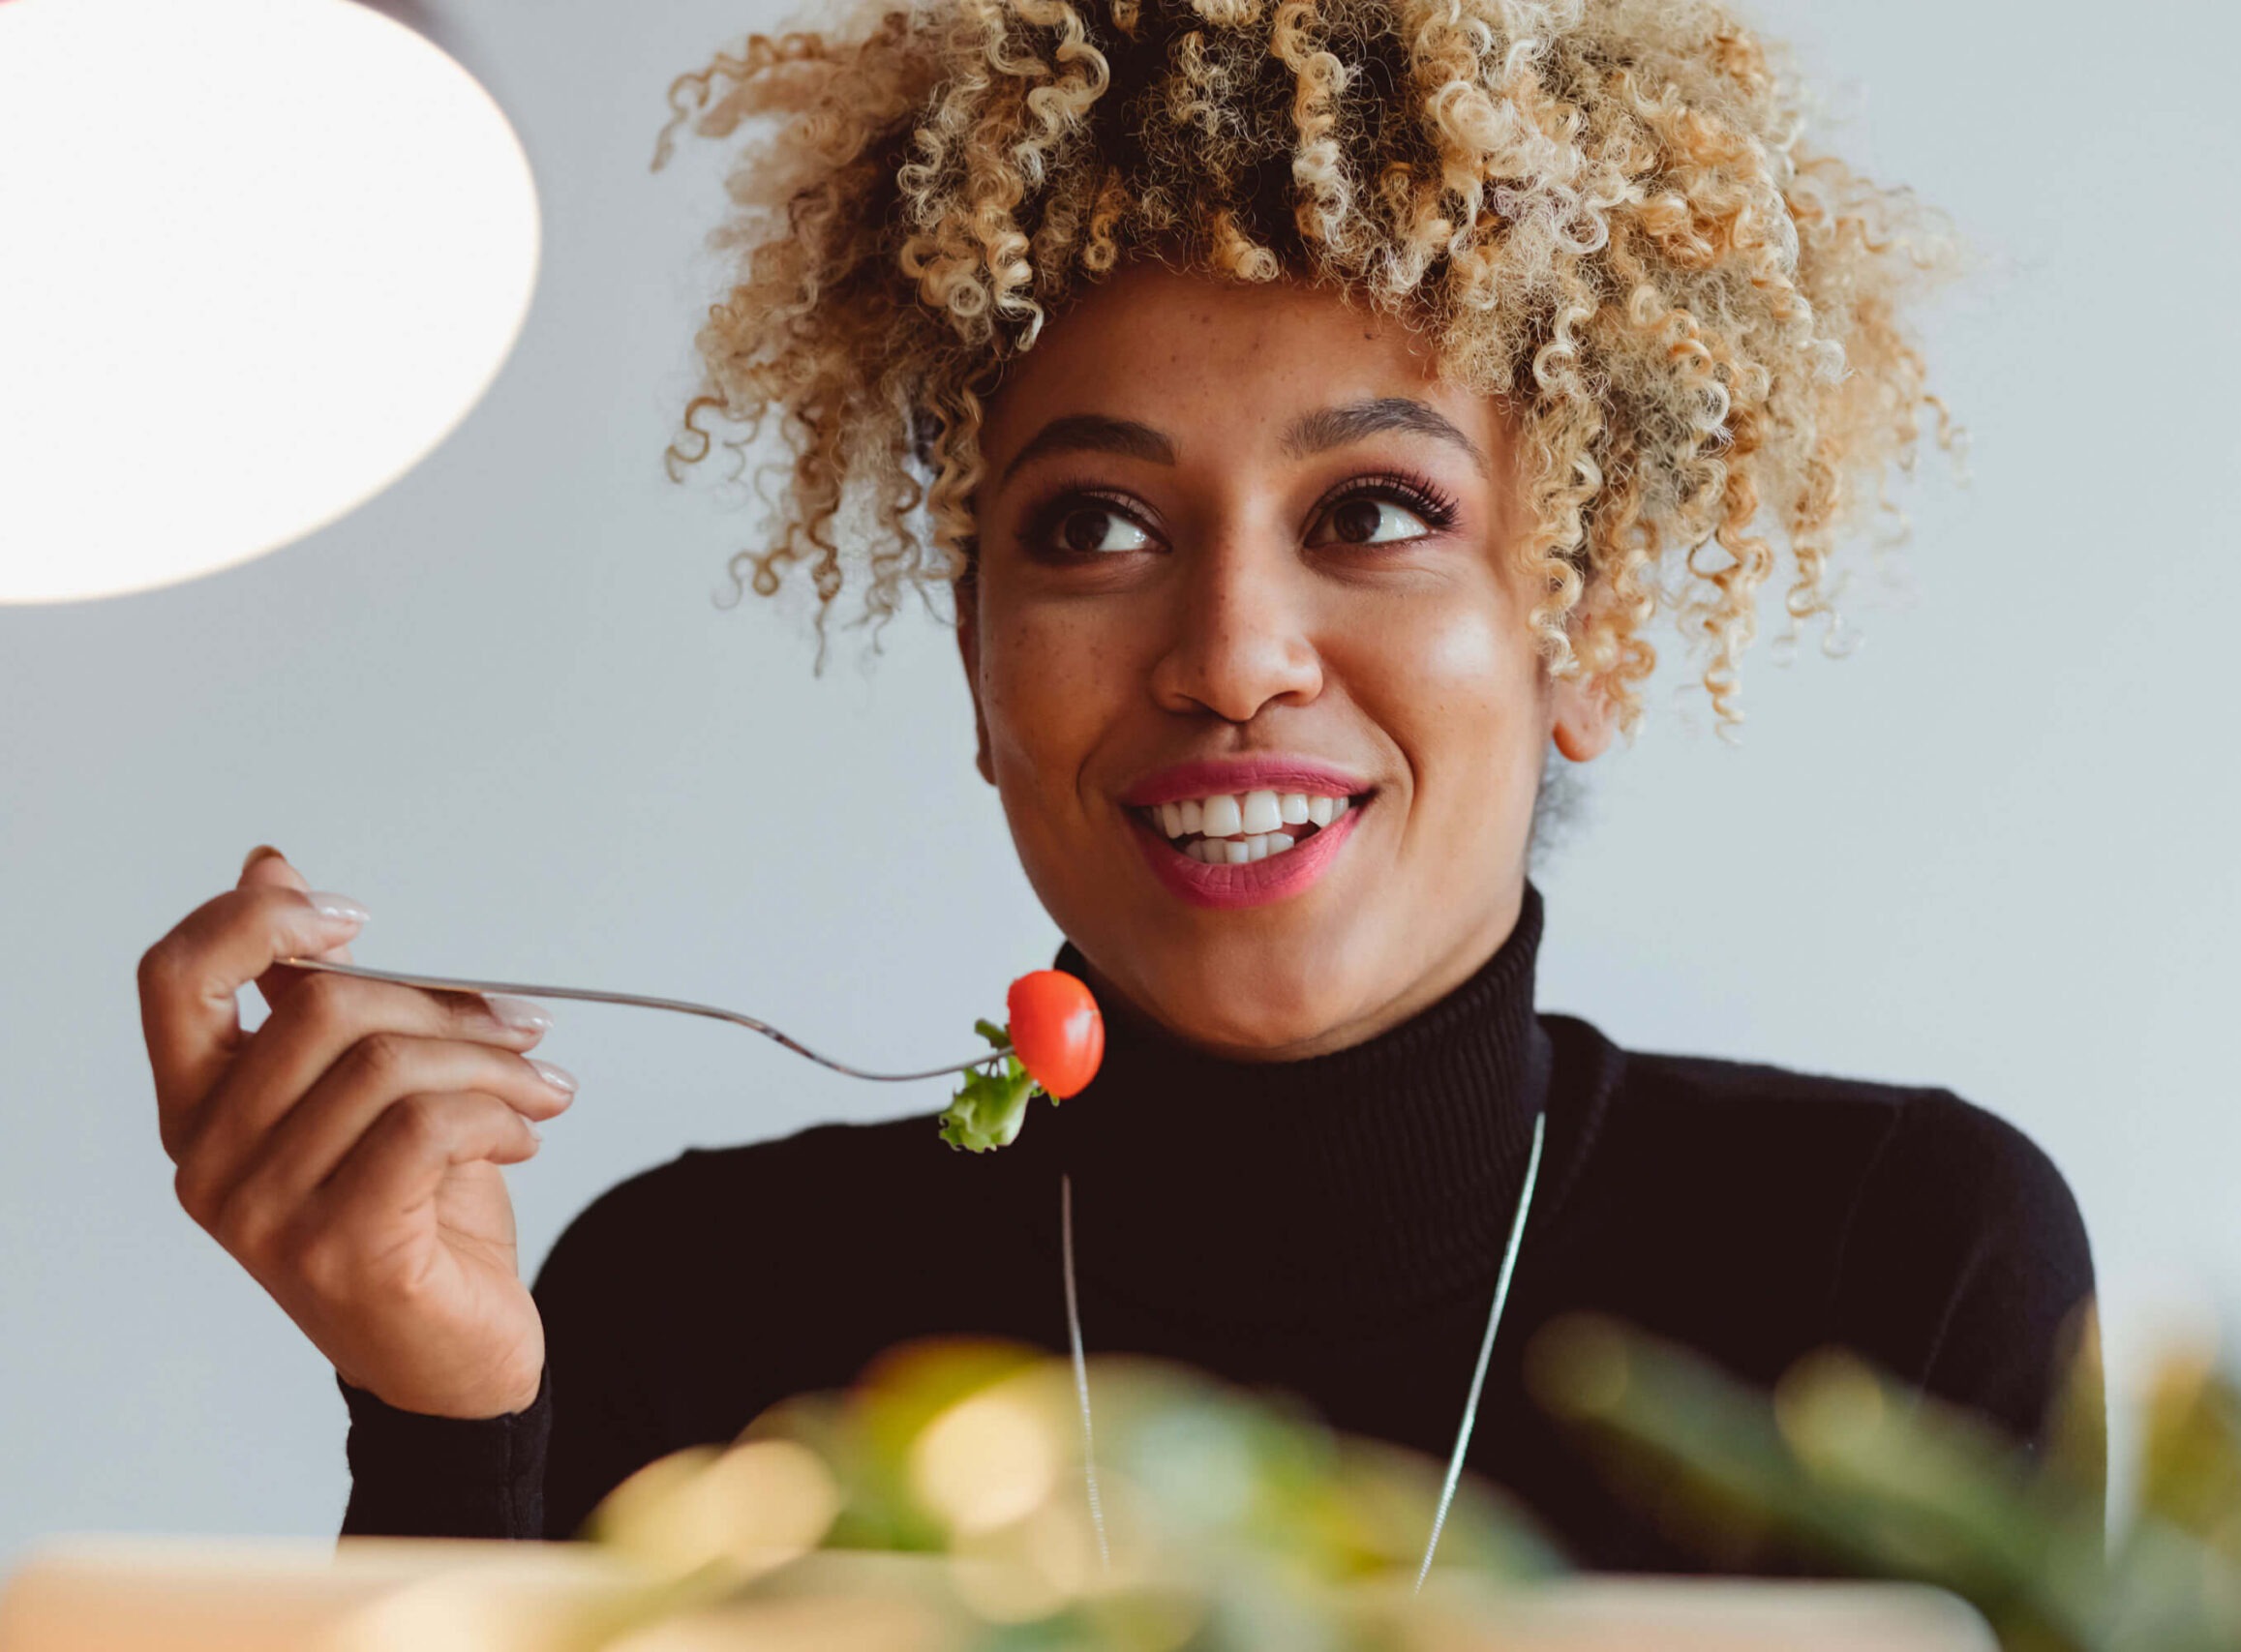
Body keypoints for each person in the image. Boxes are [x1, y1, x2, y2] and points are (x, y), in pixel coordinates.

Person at [136, 0, 2097, 1573]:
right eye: (1090, 522)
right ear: (978, 662)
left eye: (1374, 510)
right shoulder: (693, 1305)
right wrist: (450, 1424)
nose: (1231, 653)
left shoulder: (1889, 1265)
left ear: (1577, 637)